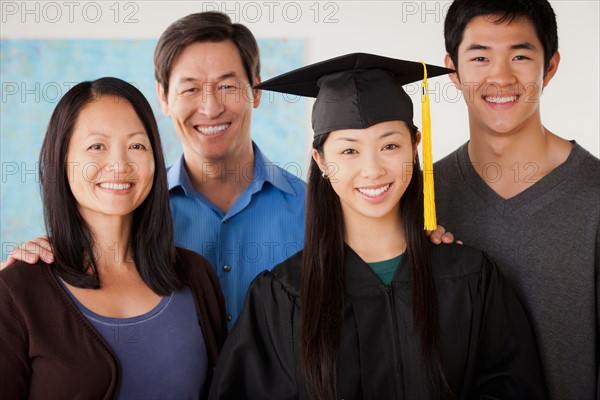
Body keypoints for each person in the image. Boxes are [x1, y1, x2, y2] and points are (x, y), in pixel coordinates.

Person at [1, 12, 454, 327]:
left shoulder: (324, 209)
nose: (211, 106)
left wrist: (422, 244)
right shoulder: (123, 210)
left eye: (227, 86)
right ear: (163, 96)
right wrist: (40, 258)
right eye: (191, 88)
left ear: (256, 90)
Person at [208, 53, 546, 399]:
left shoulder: (470, 278)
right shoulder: (283, 296)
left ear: (414, 146)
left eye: (389, 145)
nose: (372, 170)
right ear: (320, 161)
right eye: (349, 151)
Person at [0, 78, 227, 399]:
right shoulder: (16, 290)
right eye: (97, 146)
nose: (120, 165)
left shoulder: (195, 275)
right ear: (62, 160)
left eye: (137, 145)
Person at [435, 1, 600, 398]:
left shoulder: (595, 196)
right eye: (480, 56)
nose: (501, 76)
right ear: (452, 70)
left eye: (520, 55)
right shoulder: (421, 198)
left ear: (551, 66)